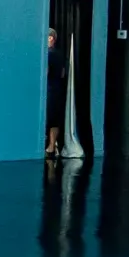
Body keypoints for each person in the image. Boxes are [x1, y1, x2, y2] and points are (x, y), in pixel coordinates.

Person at [45, 26, 68, 158]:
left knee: (49, 118)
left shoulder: (48, 54)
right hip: (57, 89)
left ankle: (50, 147)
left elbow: (46, 72)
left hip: (49, 89)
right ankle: (52, 145)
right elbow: (63, 73)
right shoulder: (60, 54)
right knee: (55, 118)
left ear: (50, 38)